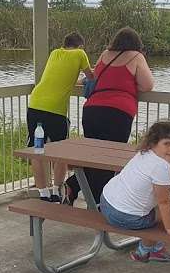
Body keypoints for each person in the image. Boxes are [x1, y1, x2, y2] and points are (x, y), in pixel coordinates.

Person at [65, 26, 154, 204]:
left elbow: (94, 77)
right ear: (137, 43)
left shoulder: (105, 55)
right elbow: (147, 85)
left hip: (92, 110)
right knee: (110, 158)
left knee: (94, 155)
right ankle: (99, 203)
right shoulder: (137, 57)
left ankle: (74, 186)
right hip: (118, 113)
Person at [100, 120, 170, 263]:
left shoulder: (143, 154)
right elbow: (164, 202)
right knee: (161, 215)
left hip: (105, 203)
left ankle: (154, 247)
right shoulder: (161, 167)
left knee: (153, 204)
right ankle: (147, 250)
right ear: (154, 143)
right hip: (124, 217)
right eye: (167, 144)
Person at [27, 32, 93, 201]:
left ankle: (43, 192)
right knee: (62, 151)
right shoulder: (80, 54)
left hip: (35, 103)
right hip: (56, 109)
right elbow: (91, 76)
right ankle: (57, 190)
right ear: (79, 46)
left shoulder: (54, 53)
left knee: (37, 150)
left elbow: (61, 78)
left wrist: (77, 80)